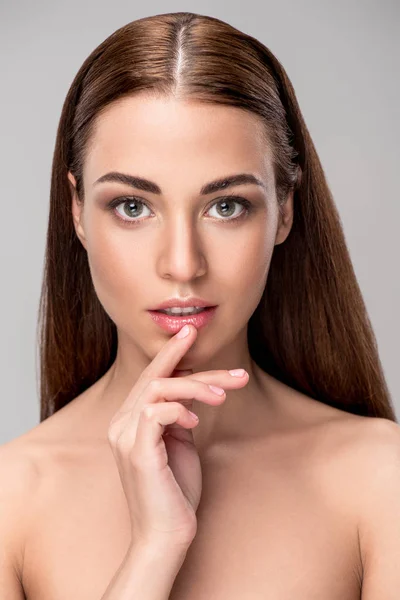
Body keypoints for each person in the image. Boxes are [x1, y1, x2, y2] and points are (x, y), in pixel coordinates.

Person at [0, 10, 399, 600]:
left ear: (284, 209)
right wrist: (154, 548)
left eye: (227, 206)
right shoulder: (13, 500)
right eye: (133, 206)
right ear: (77, 211)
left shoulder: (379, 480)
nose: (183, 264)